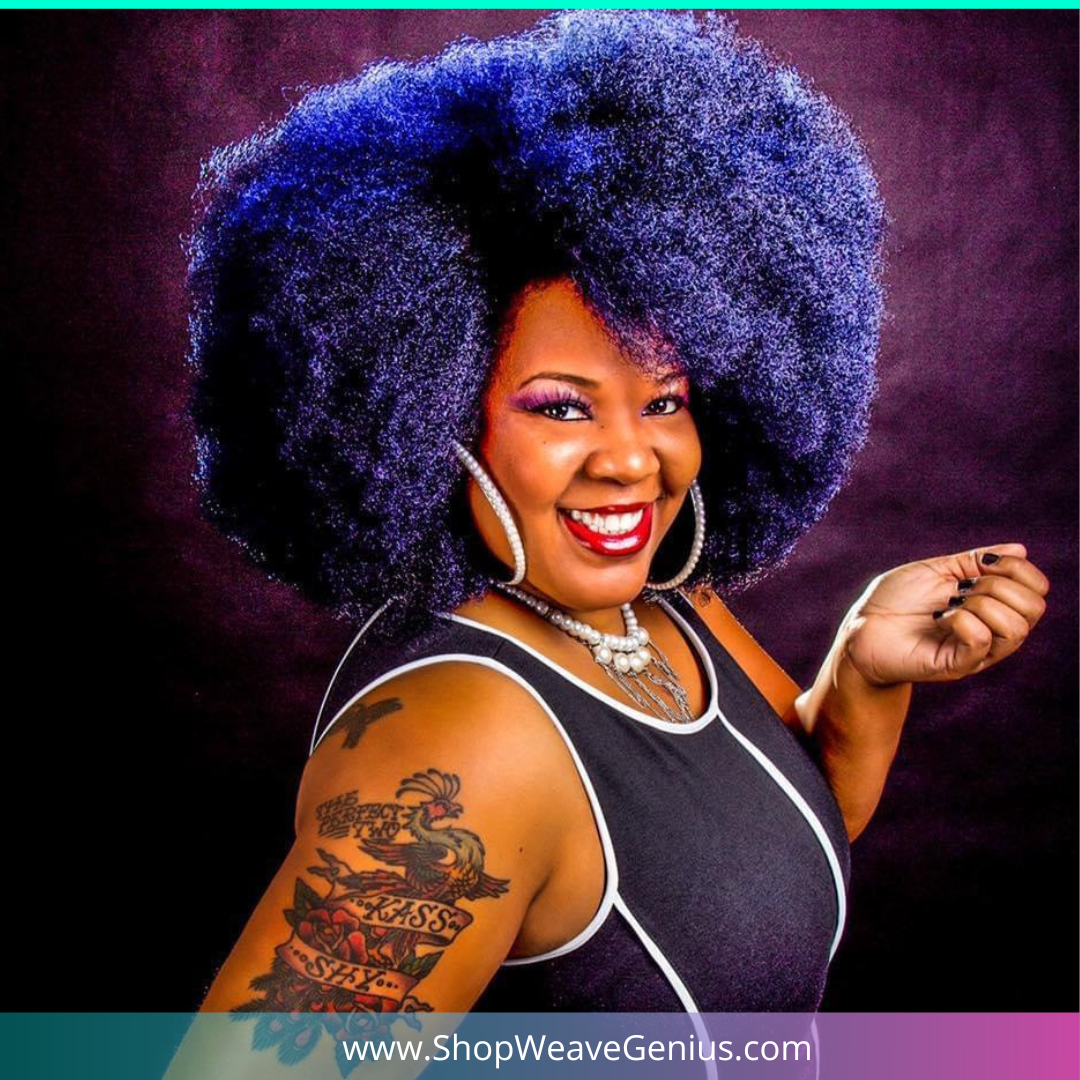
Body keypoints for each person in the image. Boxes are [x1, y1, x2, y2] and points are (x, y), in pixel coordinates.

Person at [181, 5, 1048, 1045]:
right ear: (429, 410)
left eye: (666, 400)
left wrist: (865, 672)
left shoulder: (661, 607)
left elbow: (758, 871)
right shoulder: (462, 742)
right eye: (561, 405)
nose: (635, 460)